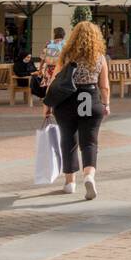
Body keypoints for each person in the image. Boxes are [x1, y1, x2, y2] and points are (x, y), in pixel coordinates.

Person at [45, 21, 110, 201]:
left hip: (66, 101)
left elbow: (54, 81)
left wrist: (47, 104)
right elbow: (104, 86)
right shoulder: (99, 57)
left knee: (68, 139)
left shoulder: (66, 56)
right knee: (89, 141)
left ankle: (70, 182)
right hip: (90, 97)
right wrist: (106, 104)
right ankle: (89, 175)